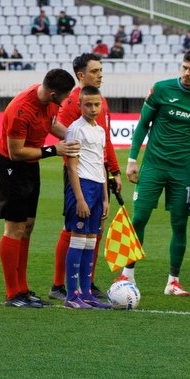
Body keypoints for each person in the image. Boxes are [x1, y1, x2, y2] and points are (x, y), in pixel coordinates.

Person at [118, 49, 190, 295]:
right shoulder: (161, 89)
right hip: (153, 166)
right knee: (139, 218)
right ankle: (126, 275)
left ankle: (173, 281)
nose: (186, 73)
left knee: (180, 224)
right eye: (184, 67)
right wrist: (132, 160)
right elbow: (143, 123)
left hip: (183, 171)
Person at [0, 69, 80, 308]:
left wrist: (79, 137)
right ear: (53, 94)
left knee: (28, 226)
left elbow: (53, 126)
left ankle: (23, 288)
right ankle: (13, 294)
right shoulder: (20, 110)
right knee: (14, 227)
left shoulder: (49, 103)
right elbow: (15, 152)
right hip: (11, 166)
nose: (65, 101)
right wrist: (54, 150)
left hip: (31, 165)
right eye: (64, 97)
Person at [48, 53, 120, 301]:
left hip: (97, 176)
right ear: (81, 75)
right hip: (79, 174)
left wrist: (115, 170)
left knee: (93, 232)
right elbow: (62, 132)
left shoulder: (101, 102)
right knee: (73, 230)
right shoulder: (70, 103)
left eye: (101, 70)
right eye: (95, 71)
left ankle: (86, 285)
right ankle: (62, 285)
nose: (101, 74)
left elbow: (104, 141)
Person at [61, 87, 113, 309]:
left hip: (96, 188)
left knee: (91, 241)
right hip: (80, 187)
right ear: (80, 105)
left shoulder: (100, 131)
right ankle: (71, 296)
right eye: (88, 105)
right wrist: (80, 199)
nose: (93, 109)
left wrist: (105, 198)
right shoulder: (75, 130)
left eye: (96, 105)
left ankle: (86, 292)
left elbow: (101, 164)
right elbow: (72, 168)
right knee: (78, 239)